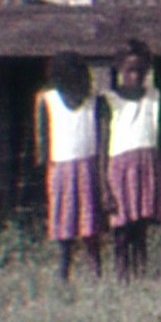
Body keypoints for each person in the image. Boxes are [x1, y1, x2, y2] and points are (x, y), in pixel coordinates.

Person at [101, 39, 161, 280]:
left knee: (140, 227)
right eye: (130, 70)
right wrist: (104, 185)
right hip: (119, 168)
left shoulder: (154, 97)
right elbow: (102, 146)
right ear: (119, 69)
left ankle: (141, 274)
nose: (136, 76)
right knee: (121, 228)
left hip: (146, 164)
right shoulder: (109, 100)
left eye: (141, 70)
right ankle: (122, 275)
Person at [38, 54, 106, 284]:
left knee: (90, 224)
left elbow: (101, 138)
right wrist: (45, 167)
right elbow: (43, 139)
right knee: (64, 223)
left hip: (88, 167)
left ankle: (95, 268)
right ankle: (64, 268)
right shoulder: (48, 101)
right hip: (60, 169)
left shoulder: (94, 102)